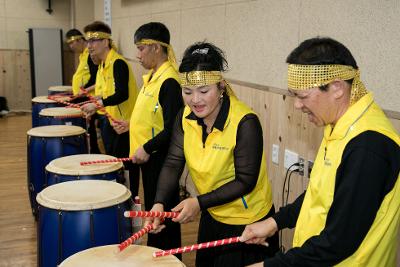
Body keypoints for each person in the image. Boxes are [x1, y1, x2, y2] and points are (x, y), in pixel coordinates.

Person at [240, 37, 400, 266]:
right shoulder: (339, 126)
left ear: (336, 88)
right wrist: (275, 222)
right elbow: (322, 194)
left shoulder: (368, 146)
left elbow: (338, 242)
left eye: (302, 96)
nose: (297, 105)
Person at [145, 42, 279, 267]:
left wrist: (198, 203)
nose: (195, 100)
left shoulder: (245, 122)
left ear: (221, 87)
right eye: (187, 92)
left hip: (248, 222)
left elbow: (245, 181)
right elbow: (173, 161)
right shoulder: (184, 116)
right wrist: (159, 203)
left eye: (204, 91)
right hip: (212, 212)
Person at [112, 22, 183, 251]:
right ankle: (156, 253)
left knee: (163, 215)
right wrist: (131, 125)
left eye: (141, 48)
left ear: (156, 48)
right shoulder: (153, 77)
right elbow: (153, 116)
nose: (138, 54)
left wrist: (147, 147)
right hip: (151, 158)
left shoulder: (169, 81)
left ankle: (167, 258)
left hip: (162, 161)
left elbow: (173, 128)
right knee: (155, 211)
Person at [80, 21, 139, 186]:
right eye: (88, 41)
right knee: (113, 163)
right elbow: (106, 93)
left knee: (126, 166)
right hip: (111, 122)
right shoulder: (103, 64)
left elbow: (122, 94)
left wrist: (97, 104)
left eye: (93, 41)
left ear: (106, 42)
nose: (89, 46)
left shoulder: (118, 63)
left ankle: (130, 200)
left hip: (124, 125)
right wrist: (95, 102)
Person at [65, 28, 100, 153]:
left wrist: (83, 91)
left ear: (79, 40)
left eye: (71, 43)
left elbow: (96, 78)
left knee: (89, 129)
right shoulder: (83, 55)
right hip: (84, 96)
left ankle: (92, 151)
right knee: (87, 128)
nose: (70, 47)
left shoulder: (91, 55)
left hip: (91, 98)